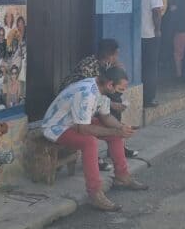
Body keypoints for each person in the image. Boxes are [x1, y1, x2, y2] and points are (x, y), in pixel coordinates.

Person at [40, 66, 148, 212]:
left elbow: (106, 116)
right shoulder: (86, 93)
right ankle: (94, 192)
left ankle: (122, 176)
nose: (120, 94)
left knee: (116, 134)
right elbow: (83, 129)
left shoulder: (102, 89)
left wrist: (121, 128)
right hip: (57, 127)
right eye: (120, 89)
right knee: (89, 142)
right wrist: (116, 130)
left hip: (77, 122)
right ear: (110, 85)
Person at [57, 39, 136, 168]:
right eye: (116, 54)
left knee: (115, 104)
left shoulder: (107, 65)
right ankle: (95, 157)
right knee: (95, 118)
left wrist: (118, 71)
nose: (117, 57)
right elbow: (87, 94)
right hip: (72, 102)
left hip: (90, 99)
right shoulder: (88, 65)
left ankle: (117, 146)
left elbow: (106, 91)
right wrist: (110, 104)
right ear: (110, 54)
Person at [140, 0, 164, 108]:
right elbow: (157, 11)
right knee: (150, 66)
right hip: (149, 34)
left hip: (137, 34)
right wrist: (158, 30)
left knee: (140, 65)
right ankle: (149, 98)